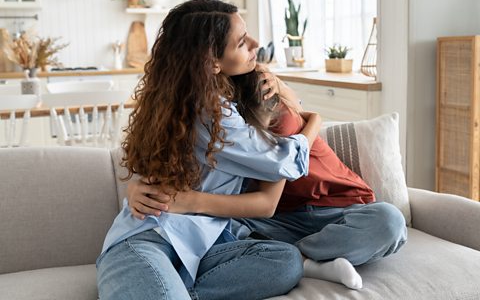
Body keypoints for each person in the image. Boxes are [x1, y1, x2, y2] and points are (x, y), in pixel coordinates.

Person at [96, 0, 323, 300]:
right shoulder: (209, 111)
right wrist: (316, 122)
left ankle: (173, 288)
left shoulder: (191, 102)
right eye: (242, 42)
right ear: (212, 61)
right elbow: (283, 160)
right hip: (149, 241)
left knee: (284, 261)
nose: (255, 44)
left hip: (205, 248)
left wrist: (280, 87)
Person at [128, 69, 408, 290]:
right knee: (207, 230)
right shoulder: (214, 118)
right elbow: (180, 165)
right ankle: (309, 258)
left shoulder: (267, 99)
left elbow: (272, 186)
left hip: (339, 209)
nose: (251, 47)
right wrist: (137, 187)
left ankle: (303, 258)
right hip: (275, 223)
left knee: (388, 221)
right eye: (241, 43)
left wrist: (309, 116)